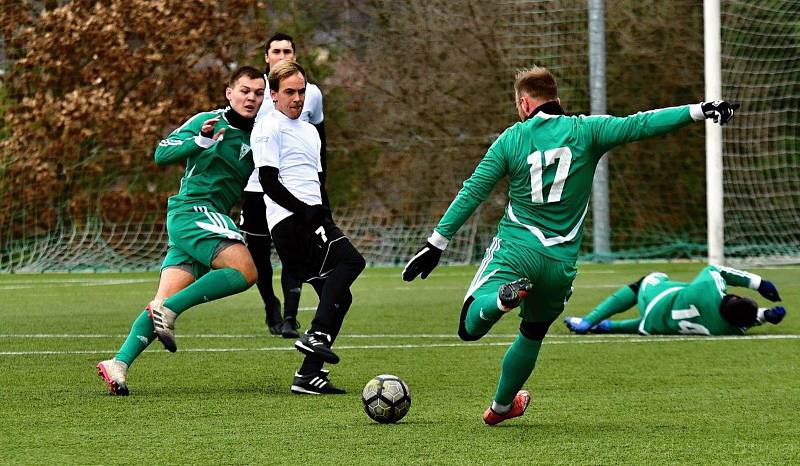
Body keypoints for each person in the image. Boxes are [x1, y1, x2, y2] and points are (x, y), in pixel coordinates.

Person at [402, 65, 741, 425]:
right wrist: (699, 110)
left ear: (524, 102)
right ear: (557, 100)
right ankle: (502, 407)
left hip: (518, 250)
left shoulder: (512, 138)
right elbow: (642, 123)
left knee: (469, 327)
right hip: (559, 263)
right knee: (532, 333)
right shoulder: (587, 131)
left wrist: (436, 243)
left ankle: (498, 301)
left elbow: (474, 189)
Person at [96, 67, 266, 396]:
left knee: (160, 301)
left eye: (258, 93)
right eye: (245, 90)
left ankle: (118, 363)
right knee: (245, 271)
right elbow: (162, 153)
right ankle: (170, 311)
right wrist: (199, 141)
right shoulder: (209, 121)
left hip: (201, 220)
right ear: (229, 92)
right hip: (195, 210)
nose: (251, 98)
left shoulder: (260, 134)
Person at [252, 60, 365, 395]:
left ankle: (308, 375)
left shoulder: (309, 131)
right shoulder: (269, 128)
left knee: (339, 297)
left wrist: (325, 215)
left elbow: (318, 182)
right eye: (289, 92)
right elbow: (269, 183)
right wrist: (306, 214)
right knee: (352, 262)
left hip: (311, 219)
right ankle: (316, 334)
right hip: (291, 223)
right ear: (273, 95)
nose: (297, 98)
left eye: (301, 91)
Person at [240, 32, 327, 339]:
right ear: (266, 57)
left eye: (287, 50)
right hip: (256, 187)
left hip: (293, 189)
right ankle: (270, 307)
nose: (282, 55)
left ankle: (290, 316)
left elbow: (318, 137)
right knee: (259, 253)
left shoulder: (311, 94)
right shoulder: (255, 90)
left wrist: (319, 189)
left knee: (294, 251)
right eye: (275, 51)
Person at [564, 265, 786, 335]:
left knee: (652, 278)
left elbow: (717, 269)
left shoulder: (709, 287)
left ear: (735, 296)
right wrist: (765, 315)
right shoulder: (724, 329)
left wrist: (759, 283)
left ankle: (588, 321)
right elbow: (744, 321)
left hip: (656, 299)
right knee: (649, 323)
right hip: (656, 326)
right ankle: (607, 327)